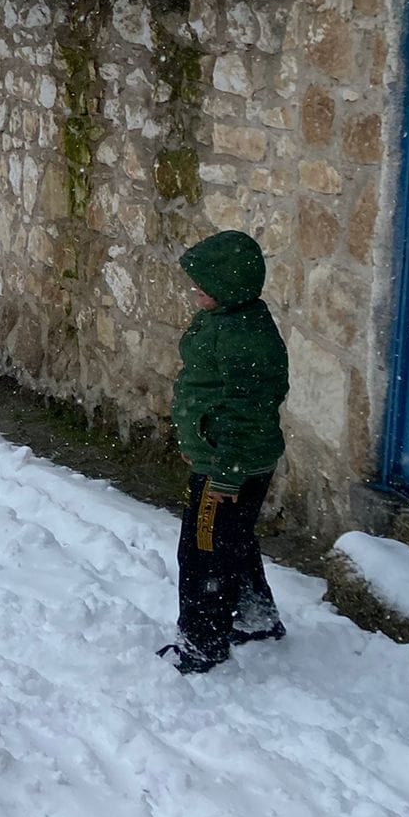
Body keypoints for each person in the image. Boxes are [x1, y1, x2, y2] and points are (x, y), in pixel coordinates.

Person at [160, 228, 290, 673]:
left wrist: (225, 473)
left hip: (230, 467)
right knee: (231, 541)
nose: (196, 291)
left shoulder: (244, 337)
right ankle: (256, 617)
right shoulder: (228, 319)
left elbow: (247, 413)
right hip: (221, 459)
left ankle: (202, 644)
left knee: (202, 551)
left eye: (204, 284)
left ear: (229, 287)